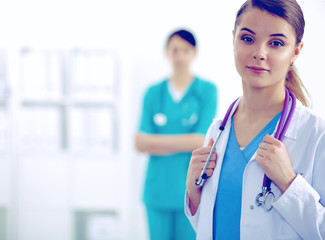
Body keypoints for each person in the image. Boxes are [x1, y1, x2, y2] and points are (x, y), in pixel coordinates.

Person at [185, 0, 325, 239]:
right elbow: (211, 224)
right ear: (233, 40)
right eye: (248, 39)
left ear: (296, 51)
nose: (259, 53)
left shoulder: (315, 135)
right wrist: (193, 193)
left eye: (276, 43)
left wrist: (289, 183)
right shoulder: (217, 131)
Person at [135, 29, 217, 240]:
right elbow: (140, 142)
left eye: (185, 50)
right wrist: (185, 141)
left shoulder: (206, 90)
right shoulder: (154, 93)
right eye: (175, 50)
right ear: (167, 53)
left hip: (190, 191)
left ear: (194, 53)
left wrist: (156, 142)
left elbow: (201, 140)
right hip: (157, 191)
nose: (180, 56)